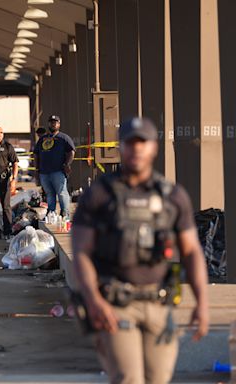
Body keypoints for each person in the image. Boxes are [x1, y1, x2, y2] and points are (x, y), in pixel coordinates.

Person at [72, 117, 209, 384]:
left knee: (159, 378)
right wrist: (94, 301)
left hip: (160, 303)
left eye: (142, 143)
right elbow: (81, 253)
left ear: (154, 148)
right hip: (115, 305)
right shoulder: (100, 195)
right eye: (130, 143)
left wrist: (202, 302)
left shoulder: (172, 196)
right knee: (129, 379)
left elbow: (191, 251)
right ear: (120, 147)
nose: (136, 150)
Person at [34, 115, 75, 217]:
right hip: (44, 173)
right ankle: (51, 213)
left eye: (55, 122)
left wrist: (67, 164)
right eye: (51, 122)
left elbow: (72, 151)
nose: (53, 124)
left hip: (58, 171)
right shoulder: (42, 139)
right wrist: (37, 169)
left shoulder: (64, 138)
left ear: (59, 124)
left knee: (61, 193)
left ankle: (65, 214)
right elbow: (36, 154)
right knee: (50, 194)